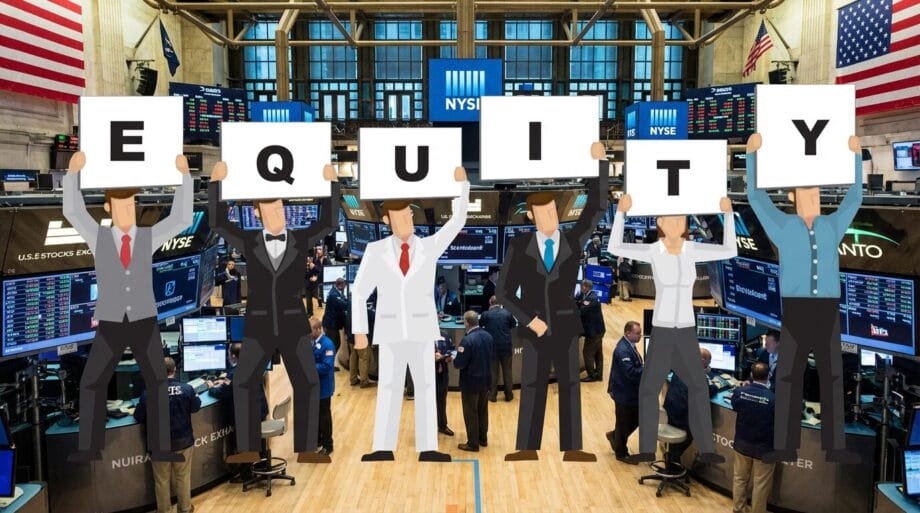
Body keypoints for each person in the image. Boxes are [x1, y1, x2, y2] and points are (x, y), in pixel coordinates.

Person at [64, 151, 192, 463]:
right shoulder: (99, 237)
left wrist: (185, 179)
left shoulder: (148, 237)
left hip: (144, 319)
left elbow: (181, 219)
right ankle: (90, 448)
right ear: (108, 207)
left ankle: (161, 448)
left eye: (131, 204)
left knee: (158, 384)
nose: (127, 210)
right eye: (121, 205)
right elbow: (74, 211)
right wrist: (72, 175)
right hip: (110, 320)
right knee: (92, 382)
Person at [208, 160, 338, 465]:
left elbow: (329, 222)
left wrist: (332, 185)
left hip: (293, 324)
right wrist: (216, 186)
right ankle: (248, 448)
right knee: (243, 382)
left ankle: (306, 449)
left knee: (307, 382)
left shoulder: (301, 240)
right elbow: (218, 223)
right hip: (260, 324)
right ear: (257, 214)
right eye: (271, 210)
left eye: (281, 209)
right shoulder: (249, 242)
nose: (279, 215)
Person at [746, 132, 862, 464]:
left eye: (816, 194)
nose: (813, 199)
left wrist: (856, 157)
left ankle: (835, 446)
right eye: (806, 194)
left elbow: (854, 198)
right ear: (794, 198)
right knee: (787, 375)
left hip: (827, 307)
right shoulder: (781, 225)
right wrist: (753, 156)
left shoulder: (832, 225)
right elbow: (756, 197)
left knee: (833, 374)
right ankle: (785, 445)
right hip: (795, 308)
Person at [497, 144, 608, 463]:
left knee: (571, 385)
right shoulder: (519, 247)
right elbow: (504, 292)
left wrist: (601, 164)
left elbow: (597, 208)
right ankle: (526, 447)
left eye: (554, 212)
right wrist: (528, 320)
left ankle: (573, 447)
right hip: (535, 328)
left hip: (565, 325)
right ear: (531, 216)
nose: (551, 218)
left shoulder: (573, 241)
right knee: (532, 386)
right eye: (544, 213)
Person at [351, 166, 469, 463]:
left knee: (427, 387)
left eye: (410, 216)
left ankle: (428, 447)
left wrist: (463, 186)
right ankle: (383, 447)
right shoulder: (375, 251)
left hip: (420, 330)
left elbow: (457, 222)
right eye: (400, 217)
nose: (407, 221)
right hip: (390, 332)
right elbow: (359, 291)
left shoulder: (428, 248)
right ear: (386, 220)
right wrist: (360, 331)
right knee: (388, 387)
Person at [608, 193, 736, 465]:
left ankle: (706, 450)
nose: (677, 224)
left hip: (687, 326)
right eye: (671, 219)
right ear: (660, 223)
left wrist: (727, 215)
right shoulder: (654, 250)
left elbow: (729, 250)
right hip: (663, 326)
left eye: (681, 219)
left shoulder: (692, 249)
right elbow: (615, 247)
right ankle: (645, 451)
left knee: (699, 387)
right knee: (649, 388)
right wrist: (620, 213)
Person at [135, 357, 200, 513]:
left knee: (162, 481)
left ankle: (164, 510)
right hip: (183, 442)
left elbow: (139, 417)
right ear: (175, 370)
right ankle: (184, 508)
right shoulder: (187, 389)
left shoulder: (147, 394)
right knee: (183, 477)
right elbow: (195, 407)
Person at [663, 347, 720, 468]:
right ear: (702, 360)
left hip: (669, 411)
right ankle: (673, 462)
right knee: (689, 436)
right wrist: (717, 386)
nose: (709, 364)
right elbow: (708, 391)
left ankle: (671, 458)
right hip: (683, 416)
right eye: (708, 362)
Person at [731, 362, 776, 513]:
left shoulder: (739, 392)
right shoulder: (774, 399)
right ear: (768, 376)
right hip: (764, 449)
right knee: (761, 485)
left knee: (739, 479)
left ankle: (738, 509)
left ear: (751, 375)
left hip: (742, 444)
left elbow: (735, 406)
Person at [454, 311, 493, 452]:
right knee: (483, 411)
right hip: (486, 380)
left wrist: (455, 358)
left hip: (470, 383)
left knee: (471, 413)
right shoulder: (488, 336)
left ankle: (473, 443)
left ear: (467, 323)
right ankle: (483, 439)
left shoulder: (467, 340)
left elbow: (459, 364)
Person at [607, 321, 644, 464]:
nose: (640, 336)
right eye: (637, 333)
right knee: (624, 422)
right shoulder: (623, 350)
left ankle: (615, 436)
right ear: (628, 333)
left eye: (640, 333)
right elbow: (630, 373)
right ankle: (621, 453)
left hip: (630, 392)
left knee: (635, 418)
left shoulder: (630, 346)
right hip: (624, 393)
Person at [480, 296, 515, 402]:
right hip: (506, 346)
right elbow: (513, 324)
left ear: (490, 303)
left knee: (493, 372)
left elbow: (481, 324)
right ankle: (508, 395)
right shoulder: (507, 313)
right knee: (507, 372)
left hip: (492, 348)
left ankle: (493, 395)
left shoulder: (486, 314)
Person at [311, 318, 336, 456]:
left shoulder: (328, 345)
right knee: (317, 416)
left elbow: (327, 366)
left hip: (324, 387)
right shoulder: (312, 342)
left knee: (324, 417)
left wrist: (310, 367)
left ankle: (328, 444)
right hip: (314, 387)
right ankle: (318, 440)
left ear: (318, 329)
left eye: (310, 331)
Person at [576, 280, 606, 383]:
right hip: (597, 330)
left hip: (595, 332)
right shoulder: (584, 295)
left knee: (587, 352)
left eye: (582, 286)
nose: (581, 288)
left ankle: (592, 375)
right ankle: (598, 374)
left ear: (587, 287)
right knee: (598, 353)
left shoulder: (592, 298)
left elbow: (582, 311)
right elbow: (577, 301)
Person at [348, 290, 377, 389]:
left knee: (353, 357)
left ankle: (353, 379)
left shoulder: (350, 305)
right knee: (364, 358)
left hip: (352, 336)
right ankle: (364, 381)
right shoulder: (364, 308)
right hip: (361, 336)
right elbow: (373, 317)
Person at [435, 330, 456, 436]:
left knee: (442, 401)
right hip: (427, 374)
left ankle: (442, 426)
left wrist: (451, 357)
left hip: (442, 374)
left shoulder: (445, 335)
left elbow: (453, 350)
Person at [323, 277, 349, 355]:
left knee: (335, 344)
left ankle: (330, 363)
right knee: (332, 346)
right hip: (330, 325)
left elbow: (344, 300)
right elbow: (343, 305)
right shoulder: (334, 295)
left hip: (332, 324)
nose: (345, 287)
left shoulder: (336, 291)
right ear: (340, 285)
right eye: (344, 286)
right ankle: (329, 364)